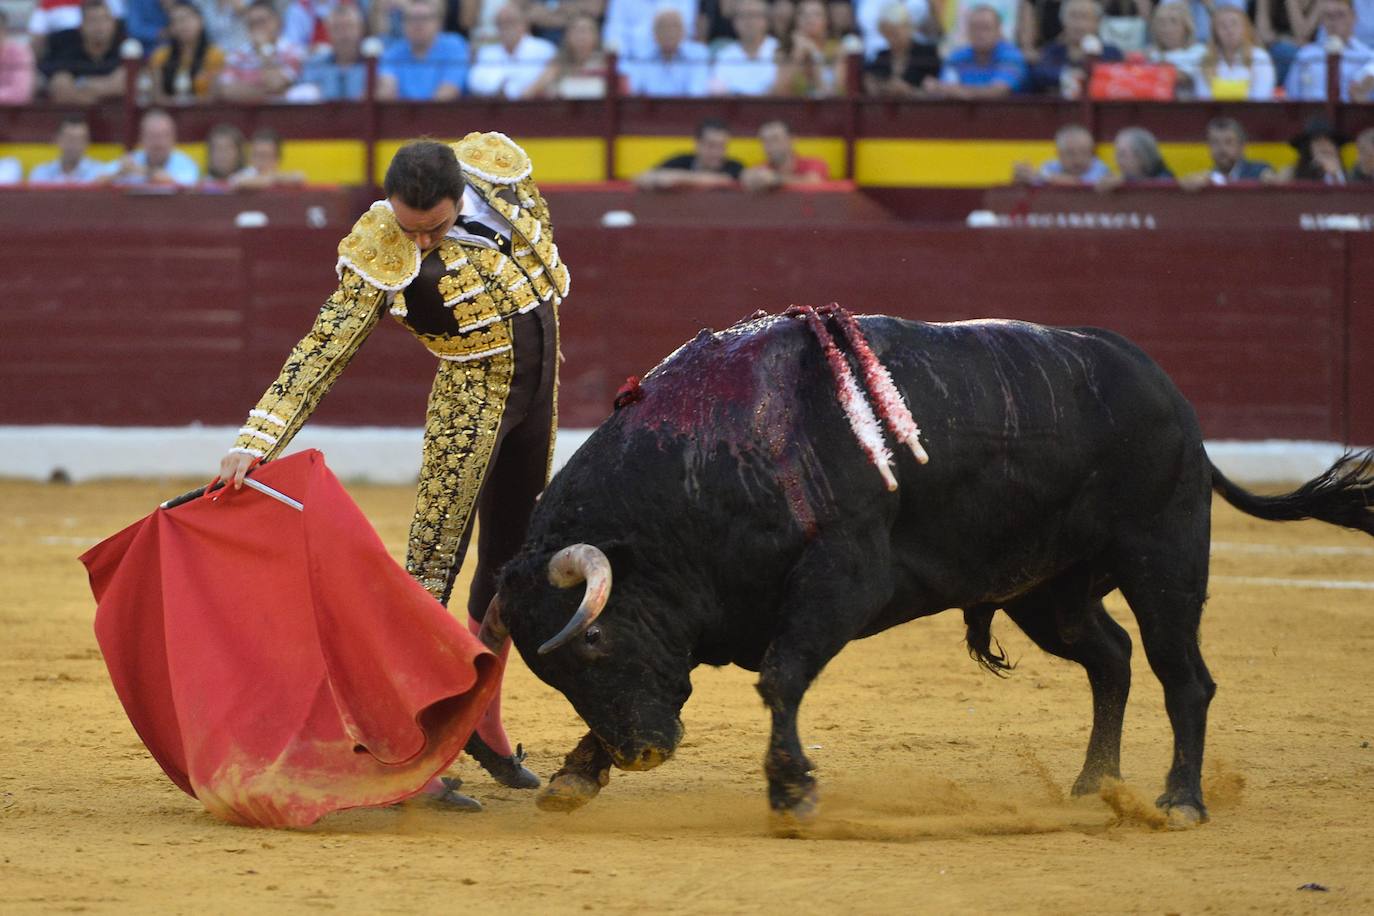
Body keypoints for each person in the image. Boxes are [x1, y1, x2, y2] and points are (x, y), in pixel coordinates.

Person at [219, 134, 567, 807]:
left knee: (512, 565)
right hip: (470, 405)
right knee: (429, 574)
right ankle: (412, 750)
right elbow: (324, 347)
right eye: (412, 229)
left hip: (539, 393)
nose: (424, 243)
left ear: (461, 195)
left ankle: (482, 725)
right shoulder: (382, 246)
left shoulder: (500, 174)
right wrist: (257, 438)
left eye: (433, 228)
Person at [924, 4, 1027, 97]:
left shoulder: (1011, 56)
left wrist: (961, 92)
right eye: (974, 28)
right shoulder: (956, 57)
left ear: (998, 31)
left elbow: (999, 91)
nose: (979, 34)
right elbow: (945, 90)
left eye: (985, 28)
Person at [1027, 0, 1124, 96]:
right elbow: (1040, 74)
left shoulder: (1111, 52)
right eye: (1073, 16)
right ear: (1062, 20)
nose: (1078, 24)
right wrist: (1066, 75)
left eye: (1085, 17)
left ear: (1097, 23)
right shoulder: (1052, 51)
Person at [377, 0, 468, 101]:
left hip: (444, 115)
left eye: (424, 18)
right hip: (402, 115)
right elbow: (387, 93)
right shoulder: (393, 52)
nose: (418, 24)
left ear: (438, 23)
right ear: (402, 24)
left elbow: (449, 91)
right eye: (411, 19)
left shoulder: (454, 46)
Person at [39, 0, 125, 105]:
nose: (99, 27)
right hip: (72, 116)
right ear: (81, 26)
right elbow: (53, 76)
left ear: (114, 24)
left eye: (104, 19)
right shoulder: (64, 44)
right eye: (93, 20)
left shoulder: (125, 45)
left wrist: (86, 85)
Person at [216, 0, 305, 101]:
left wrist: (264, 48)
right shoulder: (238, 55)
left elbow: (275, 84)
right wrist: (268, 95)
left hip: (282, 114)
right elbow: (226, 90)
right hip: (246, 114)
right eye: (252, 23)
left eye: (262, 21)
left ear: (277, 21)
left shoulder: (292, 51)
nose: (258, 27)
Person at [1284, 0, 1373, 99]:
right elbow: (1291, 97)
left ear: (1353, 17)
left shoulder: (1368, 58)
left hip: (1350, 113)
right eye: (1328, 16)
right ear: (1322, 21)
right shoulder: (1305, 56)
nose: (1334, 22)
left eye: (1340, 15)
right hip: (1311, 112)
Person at [467, 3, 557, 98]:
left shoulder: (544, 49)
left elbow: (540, 79)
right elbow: (475, 82)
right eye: (501, 23)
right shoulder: (487, 53)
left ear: (524, 24)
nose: (506, 28)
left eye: (511, 22)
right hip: (497, 109)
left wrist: (504, 85)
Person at [149, 1, 227, 102]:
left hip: (204, 113)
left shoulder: (215, 55)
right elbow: (156, 96)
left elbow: (213, 97)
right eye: (175, 21)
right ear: (171, 28)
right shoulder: (160, 56)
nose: (182, 25)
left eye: (186, 19)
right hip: (169, 112)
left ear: (201, 21)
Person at [635, 117, 744, 189]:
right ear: (698, 144)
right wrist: (659, 180)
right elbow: (641, 177)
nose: (717, 152)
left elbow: (726, 179)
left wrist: (679, 178)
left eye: (722, 146)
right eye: (711, 145)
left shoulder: (734, 166)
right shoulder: (681, 160)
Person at [622, 6, 710, 97]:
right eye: (662, 27)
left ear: (684, 31)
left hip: (687, 109)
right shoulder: (641, 56)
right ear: (653, 32)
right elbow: (635, 92)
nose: (669, 32)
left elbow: (696, 95)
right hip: (650, 110)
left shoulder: (699, 54)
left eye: (674, 26)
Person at [103, 107, 201, 186]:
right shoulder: (133, 160)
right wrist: (119, 173)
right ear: (141, 139)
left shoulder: (186, 164)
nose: (158, 143)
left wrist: (143, 171)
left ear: (173, 139)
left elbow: (185, 185)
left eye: (164, 136)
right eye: (152, 136)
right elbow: (95, 181)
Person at [1194, 4, 1276, 98]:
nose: (1229, 30)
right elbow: (1203, 99)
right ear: (1214, 32)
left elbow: (1261, 97)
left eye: (1234, 24)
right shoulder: (1205, 60)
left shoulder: (1260, 57)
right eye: (1222, 25)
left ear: (1245, 28)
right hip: (1215, 112)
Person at [523, 13, 610, 98]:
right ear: (567, 36)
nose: (581, 36)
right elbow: (528, 94)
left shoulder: (607, 65)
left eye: (586, 30)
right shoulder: (556, 66)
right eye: (576, 30)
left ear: (596, 36)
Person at [863, 1, 941, 95]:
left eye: (896, 33)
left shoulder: (928, 53)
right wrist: (882, 86)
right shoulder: (881, 56)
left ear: (909, 28)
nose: (893, 38)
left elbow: (936, 90)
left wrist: (909, 91)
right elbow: (871, 79)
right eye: (889, 33)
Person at [1178, 116, 1276, 187]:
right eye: (1215, 142)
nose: (1222, 148)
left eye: (1229, 142)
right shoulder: (1203, 180)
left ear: (1242, 146)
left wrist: (1270, 180)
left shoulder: (1259, 172)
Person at [709, 0, 782, 95]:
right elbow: (717, 93)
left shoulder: (780, 50)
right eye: (743, 16)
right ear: (734, 22)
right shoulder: (724, 55)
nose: (749, 21)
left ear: (766, 20)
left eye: (754, 15)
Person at [297, 2, 368, 99]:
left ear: (361, 29)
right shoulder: (314, 66)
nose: (344, 35)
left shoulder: (376, 65)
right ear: (328, 33)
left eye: (349, 27)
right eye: (337, 28)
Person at [741, 119, 830, 190]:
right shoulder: (763, 168)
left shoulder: (814, 163)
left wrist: (775, 180)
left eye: (775, 139)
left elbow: (813, 182)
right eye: (764, 140)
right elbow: (748, 176)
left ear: (792, 140)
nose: (769, 145)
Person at [1011, 122, 1112, 184]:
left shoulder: (1100, 168)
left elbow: (1080, 184)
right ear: (1059, 154)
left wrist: (1041, 177)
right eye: (1070, 153)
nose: (1078, 159)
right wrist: (1024, 178)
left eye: (1085, 152)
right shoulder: (1050, 167)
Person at [1145, 1, 1206, 96]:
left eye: (1173, 21)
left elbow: (1188, 79)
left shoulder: (1200, 52)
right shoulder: (1151, 54)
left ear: (1186, 27)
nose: (1167, 28)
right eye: (1161, 22)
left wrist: (1158, 71)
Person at [28, 115, 109, 184]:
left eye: (80, 140)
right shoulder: (41, 173)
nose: (75, 145)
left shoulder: (100, 172)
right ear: (58, 140)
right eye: (70, 139)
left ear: (87, 143)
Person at [1095, 126, 1172, 190]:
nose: (1117, 161)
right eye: (1117, 155)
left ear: (1141, 156)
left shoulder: (1165, 179)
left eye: (1122, 155)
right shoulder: (1121, 178)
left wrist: (1125, 182)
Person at [230, 127, 307, 188]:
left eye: (265, 156)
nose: (260, 161)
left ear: (277, 159)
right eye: (257, 155)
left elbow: (300, 177)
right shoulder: (245, 174)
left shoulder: (279, 177)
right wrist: (269, 180)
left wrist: (275, 178)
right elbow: (237, 182)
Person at [1282, 115, 1349, 184]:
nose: (1323, 145)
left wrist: (1336, 174)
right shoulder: (1292, 173)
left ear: (1335, 147)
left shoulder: (1351, 175)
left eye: (1328, 141)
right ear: (1307, 148)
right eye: (1317, 141)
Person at [202, 121, 245, 186]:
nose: (223, 155)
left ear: (239, 153)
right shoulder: (202, 186)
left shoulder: (251, 176)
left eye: (228, 148)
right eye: (218, 149)